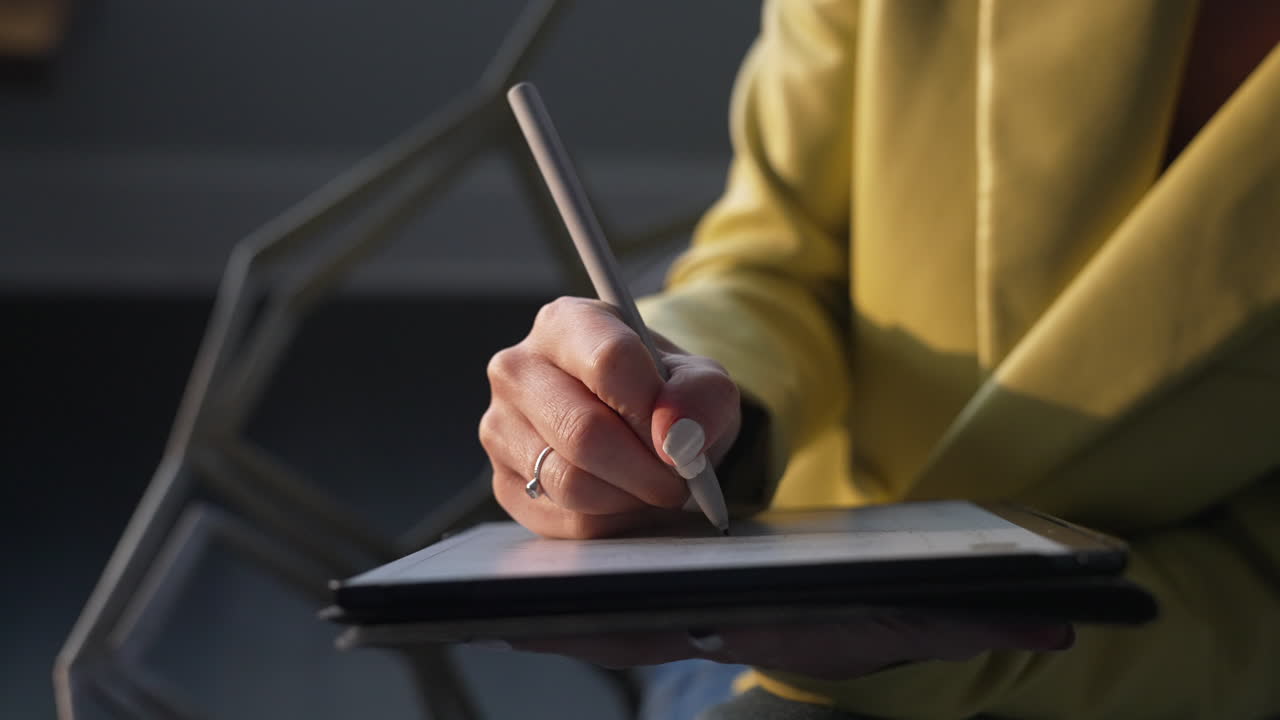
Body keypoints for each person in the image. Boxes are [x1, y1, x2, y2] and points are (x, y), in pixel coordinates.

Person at [478, 1, 1280, 717]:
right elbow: (785, 260)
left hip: (1145, 670)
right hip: (771, 593)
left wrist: (937, 654)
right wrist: (687, 383)